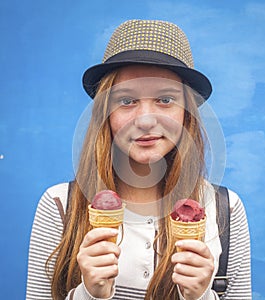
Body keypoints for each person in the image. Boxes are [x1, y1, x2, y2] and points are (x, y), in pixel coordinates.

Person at [26, 19, 251, 300]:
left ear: (186, 114)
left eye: (165, 99)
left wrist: (201, 297)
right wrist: (89, 294)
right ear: (105, 114)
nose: (145, 120)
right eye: (126, 100)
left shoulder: (226, 210)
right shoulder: (59, 206)